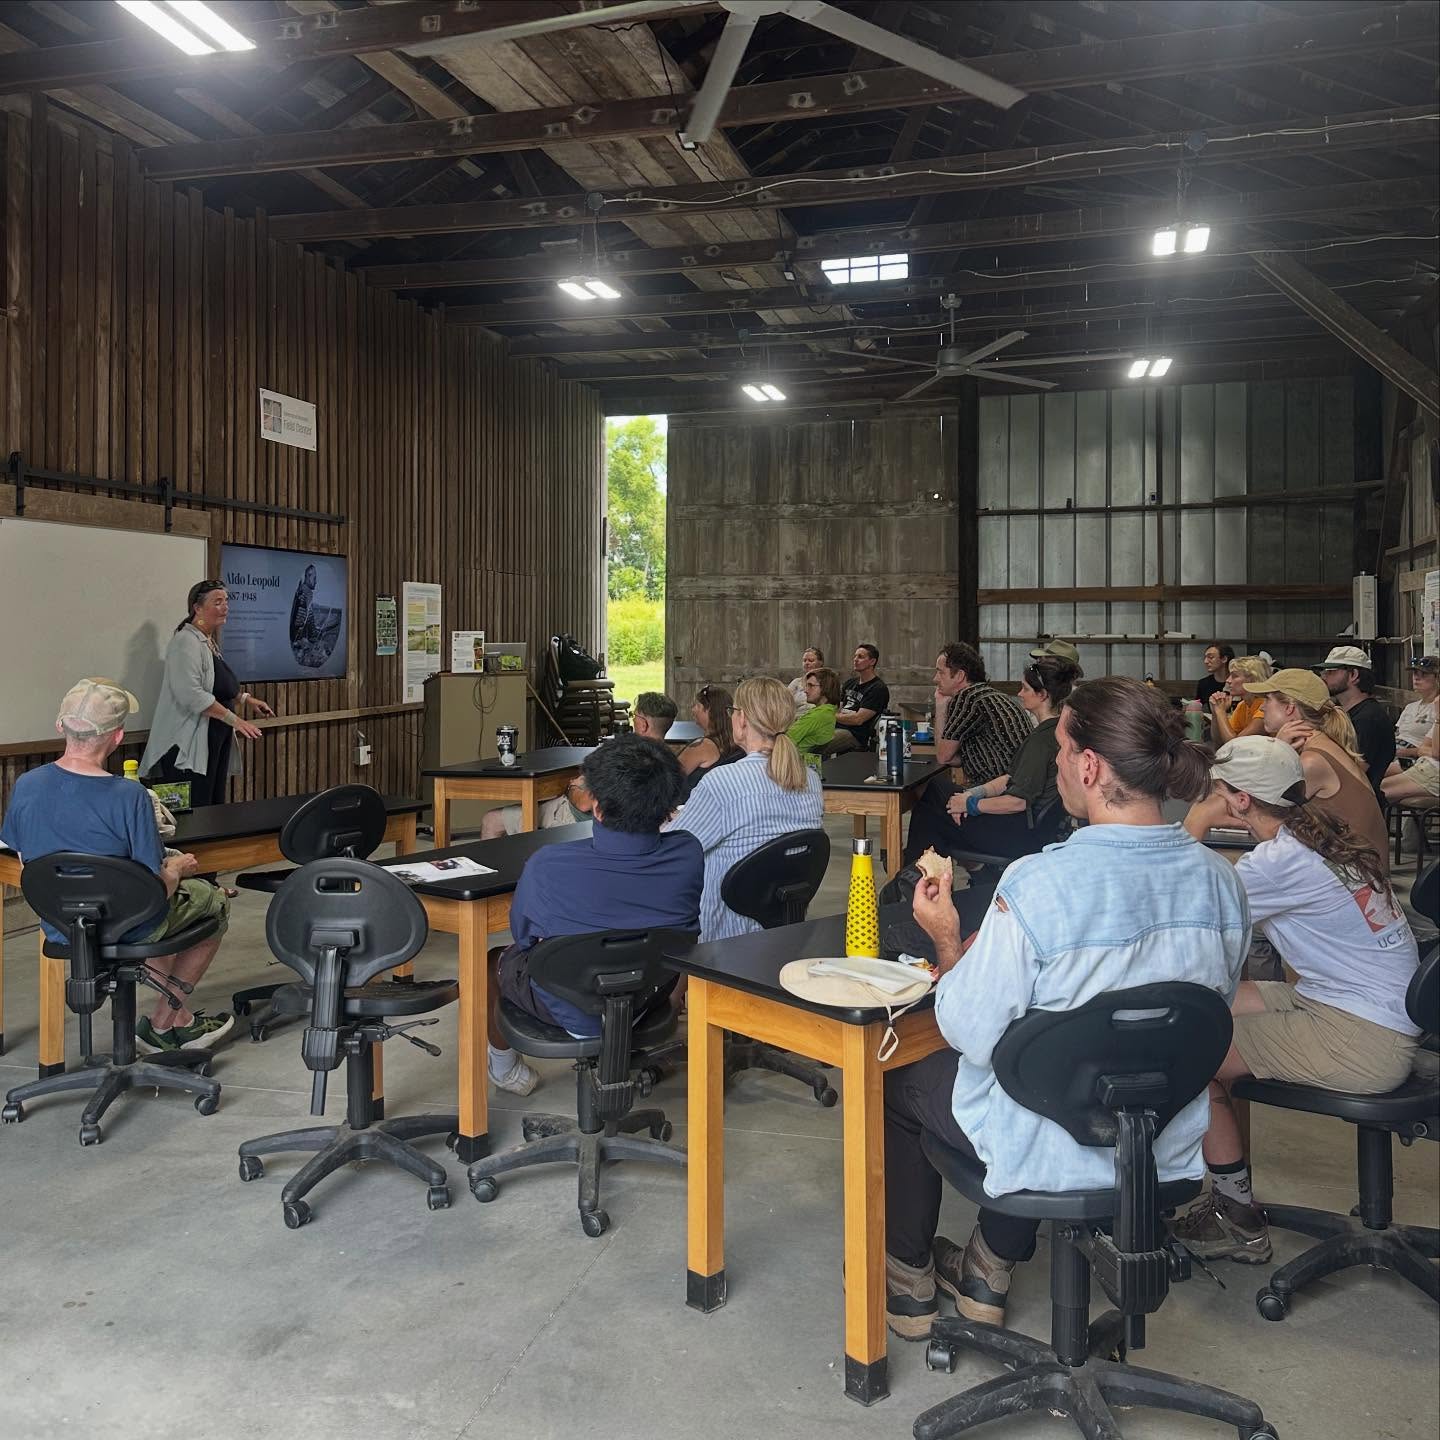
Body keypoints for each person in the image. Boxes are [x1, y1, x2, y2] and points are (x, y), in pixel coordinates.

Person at [882, 676, 1246, 1341]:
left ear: (1088, 764)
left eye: (1058, 749)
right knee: (1048, 1061)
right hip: (1159, 1150)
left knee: (911, 1082)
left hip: (1050, 1144)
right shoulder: (1220, 881)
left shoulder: (1039, 884)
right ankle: (987, 1267)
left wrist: (942, 936)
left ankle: (908, 1281)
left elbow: (967, 1029)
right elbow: (1201, 1017)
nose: (1052, 764)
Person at [1175, 736, 1420, 1262]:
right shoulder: (1320, 836)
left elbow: (1188, 907)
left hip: (1361, 1037)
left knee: (1191, 1049)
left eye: (1219, 792)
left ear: (1240, 801)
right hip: (1360, 1009)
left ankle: (1236, 1217)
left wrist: (1196, 821)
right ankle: (1228, 1186)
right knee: (1212, 1001)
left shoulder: (1277, 862)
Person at [1, 679, 234, 1052]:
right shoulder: (130, 796)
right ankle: (168, 1018)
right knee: (213, 901)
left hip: (62, 927)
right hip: (130, 926)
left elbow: (23, 856)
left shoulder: (27, 785)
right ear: (118, 736)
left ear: (61, 726)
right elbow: (154, 888)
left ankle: (173, 1019)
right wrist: (177, 869)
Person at [484, 736, 703, 1096]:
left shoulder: (547, 865)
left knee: (494, 960)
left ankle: (505, 1070)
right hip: (647, 1000)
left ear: (597, 809)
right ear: (668, 809)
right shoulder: (688, 853)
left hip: (569, 1011)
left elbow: (523, 940)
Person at [670, 676, 824, 940]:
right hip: (781, 926)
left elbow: (674, 848)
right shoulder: (809, 779)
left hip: (722, 933)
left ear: (741, 720)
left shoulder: (723, 782)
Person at [903, 655, 1078, 865]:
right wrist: (970, 795)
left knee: (932, 807)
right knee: (938, 800)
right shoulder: (1055, 731)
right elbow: (1009, 778)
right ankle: (925, 871)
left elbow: (1018, 801)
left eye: (1025, 688)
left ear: (1042, 694)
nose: (1019, 693)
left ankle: (912, 875)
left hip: (1019, 834)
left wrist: (971, 805)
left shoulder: (1042, 741)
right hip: (1031, 828)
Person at [140, 580, 273, 808]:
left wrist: (245, 699)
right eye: (217, 602)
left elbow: (215, 684)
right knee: (189, 811)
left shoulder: (207, 641)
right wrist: (235, 720)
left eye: (226, 602)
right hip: (186, 744)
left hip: (214, 737)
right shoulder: (185, 642)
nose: (225, 607)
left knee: (212, 806)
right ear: (197, 608)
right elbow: (190, 694)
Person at [1243, 668, 1390, 869]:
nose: (1263, 708)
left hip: (1358, 885)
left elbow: (1262, 821)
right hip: (1355, 875)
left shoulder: (1312, 761)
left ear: (1289, 708)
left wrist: (1278, 752)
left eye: (1268, 700)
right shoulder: (1320, 744)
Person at [931, 642, 1031, 783]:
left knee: (932, 789)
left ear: (960, 676)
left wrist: (941, 706)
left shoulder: (968, 698)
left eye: (941, 672)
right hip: (1019, 785)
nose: (935, 679)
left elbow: (943, 756)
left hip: (1000, 790)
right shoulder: (989, 695)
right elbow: (952, 757)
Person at [1316, 645, 1395, 799]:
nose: (1323, 677)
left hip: (1358, 805)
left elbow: (1354, 771)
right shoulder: (1348, 714)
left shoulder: (1369, 719)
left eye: (1331, 671)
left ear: (1353, 675)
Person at [825, 644, 889, 754]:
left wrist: (831, 716)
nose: (855, 660)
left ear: (872, 661)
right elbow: (838, 708)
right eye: (855, 656)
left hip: (855, 734)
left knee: (818, 743)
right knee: (810, 736)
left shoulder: (877, 688)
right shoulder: (849, 683)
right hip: (837, 726)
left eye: (860, 657)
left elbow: (858, 719)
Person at [679, 684, 743, 789]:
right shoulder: (737, 742)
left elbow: (669, 778)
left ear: (709, 710)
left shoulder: (702, 747)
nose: (693, 710)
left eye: (697, 706)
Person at [1208, 654, 1272, 744]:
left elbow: (1234, 745)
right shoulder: (1243, 705)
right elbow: (1219, 742)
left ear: (1252, 680)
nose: (1228, 680)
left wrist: (1221, 712)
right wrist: (1215, 713)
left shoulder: (1266, 707)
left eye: (1234, 676)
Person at [786, 666, 840, 765]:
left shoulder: (817, 716)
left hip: (793, 765)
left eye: (811, 685)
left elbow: (785, 741)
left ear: (825, 688)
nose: (806, 690)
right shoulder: (828, 712)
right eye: (806, 685)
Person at [1393, 655, 1439, 759]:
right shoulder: (1410, 707)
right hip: (1396, 749)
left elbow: (1433, 749)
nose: (1417, 678)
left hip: (1417, 757)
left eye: (1424, 674)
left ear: (1437, 677)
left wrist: (1407, 752)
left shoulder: (1437, 709)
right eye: (1415, 673)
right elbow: (1397, 733)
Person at [786, 646, 824, 715]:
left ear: (820, 663)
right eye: (804, 660)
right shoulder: (796, 682)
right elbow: (783, 701)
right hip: (795, 718)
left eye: (811, 660)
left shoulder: (827, 682)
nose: (807, 663)